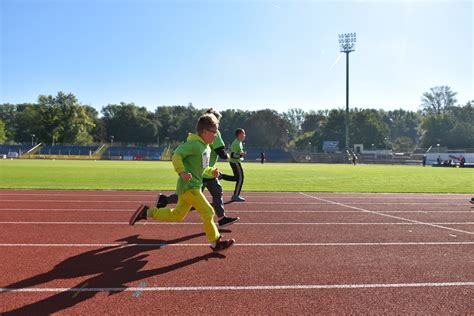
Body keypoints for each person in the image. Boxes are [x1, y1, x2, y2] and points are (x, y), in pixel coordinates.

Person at [129, 114, 234, 252]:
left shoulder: (206, 148)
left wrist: (211, 172)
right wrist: (181, 171)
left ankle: (147, 212)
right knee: (208, 212)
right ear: (204, 132)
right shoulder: (194, 145)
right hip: (189, 187)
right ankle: (215, 242)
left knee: (177, 215)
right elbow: (177, 154)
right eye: (214, 132)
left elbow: (203, 169)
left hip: (191, 187)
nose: (216, 136)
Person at [155, 108, 240, 228]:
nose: (217, 127)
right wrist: (228, 156)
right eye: (217, 122)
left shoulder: (205, 135)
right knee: (206, 200)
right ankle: (217, 231)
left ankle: (163, 201)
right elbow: (220, 150)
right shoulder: (213, 134)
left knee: (194, 198)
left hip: (205, 170)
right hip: (202, 172)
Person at [220, 128, 246, 202]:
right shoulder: (236, 143)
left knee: (237, 178)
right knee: (241, 178)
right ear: (240, 134)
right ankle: (236, 195)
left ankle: (222, 176)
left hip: (235, 162)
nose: (245, 135)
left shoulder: (239, 142)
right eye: (244, 134)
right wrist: (241, 155)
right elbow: (232, 155)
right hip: (235, 162)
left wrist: (241, 154)